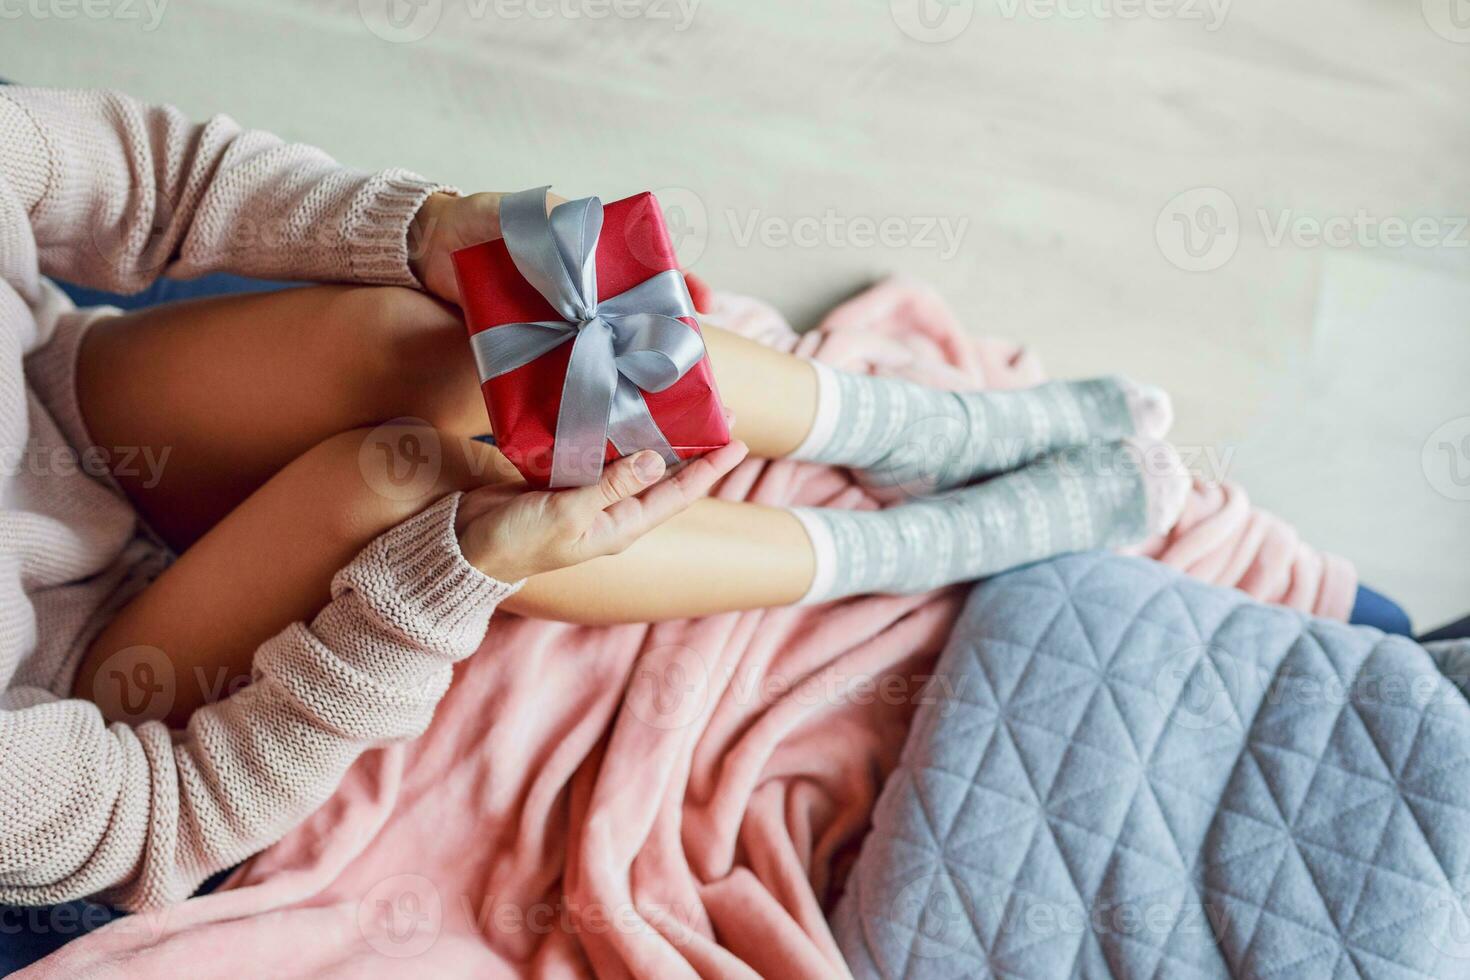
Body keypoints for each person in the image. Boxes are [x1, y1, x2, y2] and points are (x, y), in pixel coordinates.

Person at [0, 87, 1187, 912]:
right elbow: (166, 820)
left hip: (69, 415)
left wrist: (421, 231)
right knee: (412, 481)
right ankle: (917, 546)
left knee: (443, 342)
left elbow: (159, 179)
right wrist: (451, 574)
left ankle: (925, 431)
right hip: (92, 674)